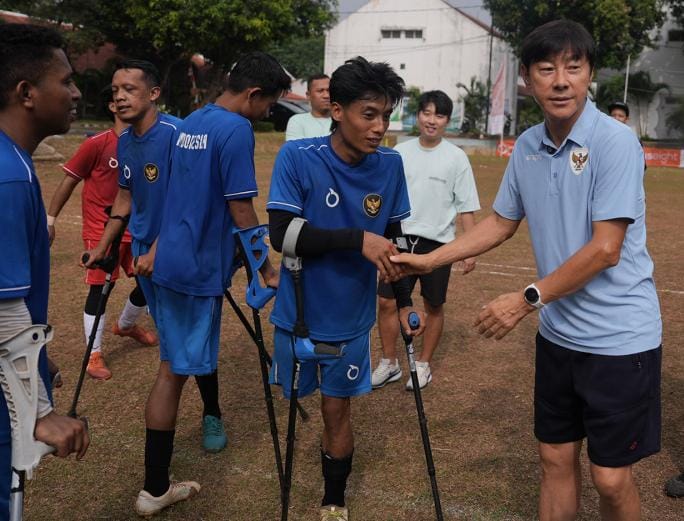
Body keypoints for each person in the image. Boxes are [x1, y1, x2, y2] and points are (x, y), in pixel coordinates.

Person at [391, 20, 661, 521]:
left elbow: (606, 249)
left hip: (619, 339)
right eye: (546, 69)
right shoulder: (530, 145)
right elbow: (500, 222)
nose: (561, 80)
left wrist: (526, 299)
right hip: (560, 338)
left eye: (573, 68)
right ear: (527, 78)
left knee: (610, 476)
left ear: (590, 75)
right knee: (554, 458)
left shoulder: (614, 142)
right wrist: (429, 259)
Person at [268, 56, 424, 521]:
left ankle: (333, 499)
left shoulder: (390, 165)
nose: (379, 127)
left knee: (338, 411)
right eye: (369, 114)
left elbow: (394, 240)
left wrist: (405, 301)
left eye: (386, 115)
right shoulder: (298, 157)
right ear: (337, 110)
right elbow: (282, 235)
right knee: (298, 403)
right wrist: (356, 239)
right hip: (296, 314)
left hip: (351, 319)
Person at [136, 51, 289, 517]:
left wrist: (157, 247)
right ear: (253, 94)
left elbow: (176, 192)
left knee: (172, 365)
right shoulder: (236, 129)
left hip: (169, 261)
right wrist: (265, 267)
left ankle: (156, 482)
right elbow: (241, 205)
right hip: (195, 269)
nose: (267, 115)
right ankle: (154, 488)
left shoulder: (190, 121)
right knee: (172, 372)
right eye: (269, 105)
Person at [82, 60, 227, 457]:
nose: (120, 96)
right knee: (174, 337)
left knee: (192, 336)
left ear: (154, 93)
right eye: (115, 90)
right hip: (148, 255)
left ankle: (212, 412)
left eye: (129, 88)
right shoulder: (125, 140)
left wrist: (160, 251)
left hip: (181, 253)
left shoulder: (179, 135)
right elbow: (125, 199)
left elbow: (194, 202)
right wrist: (104, 245)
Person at [0, 23, 90, 521]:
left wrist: (40, 362)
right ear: (26, 93)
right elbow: (3, 306)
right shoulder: (9, 176)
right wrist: (38, 410)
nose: (77, 92)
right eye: (67, 80)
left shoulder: (13, 161)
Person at [372, 90, 480, 391]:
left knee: (433, 305)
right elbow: (383, 198)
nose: (432, 120)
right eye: (427, 113)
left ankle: (422, 364)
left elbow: (466, 206)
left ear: (448, 120)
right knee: (386, 301)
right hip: (400, 239)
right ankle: (390, 363)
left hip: (438, 244)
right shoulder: (398, 152)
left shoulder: (456, 158)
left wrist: (468, 249)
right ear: (417, 115)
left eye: (440, 115)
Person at [47, 94, 158, 381]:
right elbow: (70, 178)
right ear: (111, 107)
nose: (125, 101)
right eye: (119, 97)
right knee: (99, 291)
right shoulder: (96, 143)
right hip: (101, 231)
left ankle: (126, 324)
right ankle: (93, 354)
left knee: (151, 281)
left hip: (137, 229)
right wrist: (50, 220)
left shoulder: (146, 143)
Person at [285, 74, 331, 140]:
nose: (326, 96)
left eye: (329, 90)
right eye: (320, 91)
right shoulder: (297, 121)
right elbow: (296, 149)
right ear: (308, 95)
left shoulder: (342, 122)